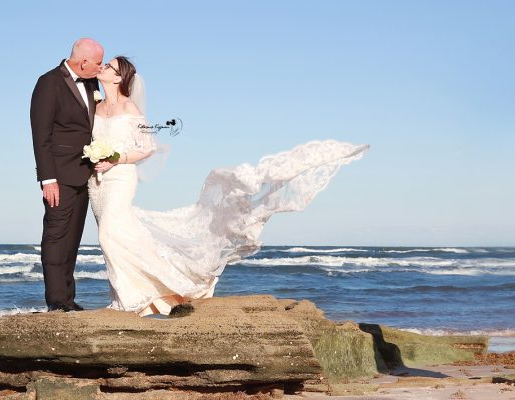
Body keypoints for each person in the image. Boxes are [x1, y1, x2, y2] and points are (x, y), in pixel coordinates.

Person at [89, 56, 369, 316]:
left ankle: (130, 300)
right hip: (95, 182)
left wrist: (115, 159)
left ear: (119, 78)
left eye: (109, 67)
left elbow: (148, 146)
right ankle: (139, 294)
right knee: (119, 235)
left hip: (120, 177)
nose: (102, 68)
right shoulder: (96, 105)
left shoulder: (130, 108)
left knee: (109, 235)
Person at [29, 38, 103, 312]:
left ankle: (68, 299)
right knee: (56, 236)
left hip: (85, 173)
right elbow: (41, 135)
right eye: (98, 62)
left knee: (72, 239)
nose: (101, 67)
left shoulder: (93, 83)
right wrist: (47, 179)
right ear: (83, 61)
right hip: (58, 177)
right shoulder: (48, 82)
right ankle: (57, 302)